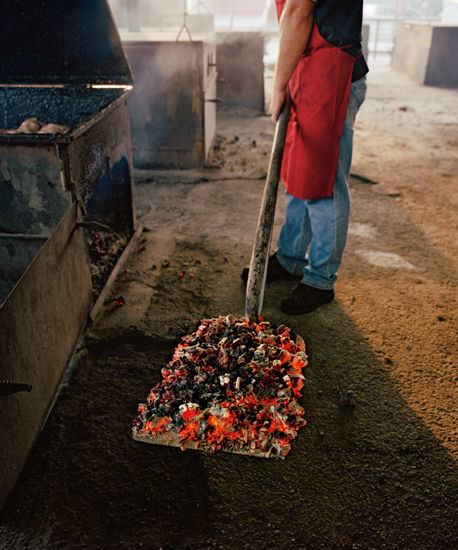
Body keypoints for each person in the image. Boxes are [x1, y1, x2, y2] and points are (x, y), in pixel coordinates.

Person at [243, 0, 368, 314]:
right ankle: (291, 258)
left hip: (331, 74)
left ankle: (321, 279)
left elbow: (299, 11)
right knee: (301, 168)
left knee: (326, 182)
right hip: (310, 66)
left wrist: (278, 83)